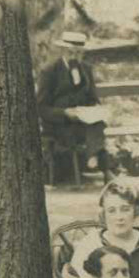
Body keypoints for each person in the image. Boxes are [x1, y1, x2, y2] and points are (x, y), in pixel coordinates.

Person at [37, 30, 109, 179]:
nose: (75, 57)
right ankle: (100, 163)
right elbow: (41, 108)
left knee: (98, 122)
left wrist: (95, 109)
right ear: (63, 50)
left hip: (82, 123)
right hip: (59, 126)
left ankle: (94, 158)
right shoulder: (49, 71)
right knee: (95, 130)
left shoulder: (86, 69)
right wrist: (65, 113)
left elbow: (93, 99)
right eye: (71, 53)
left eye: (79, 53)